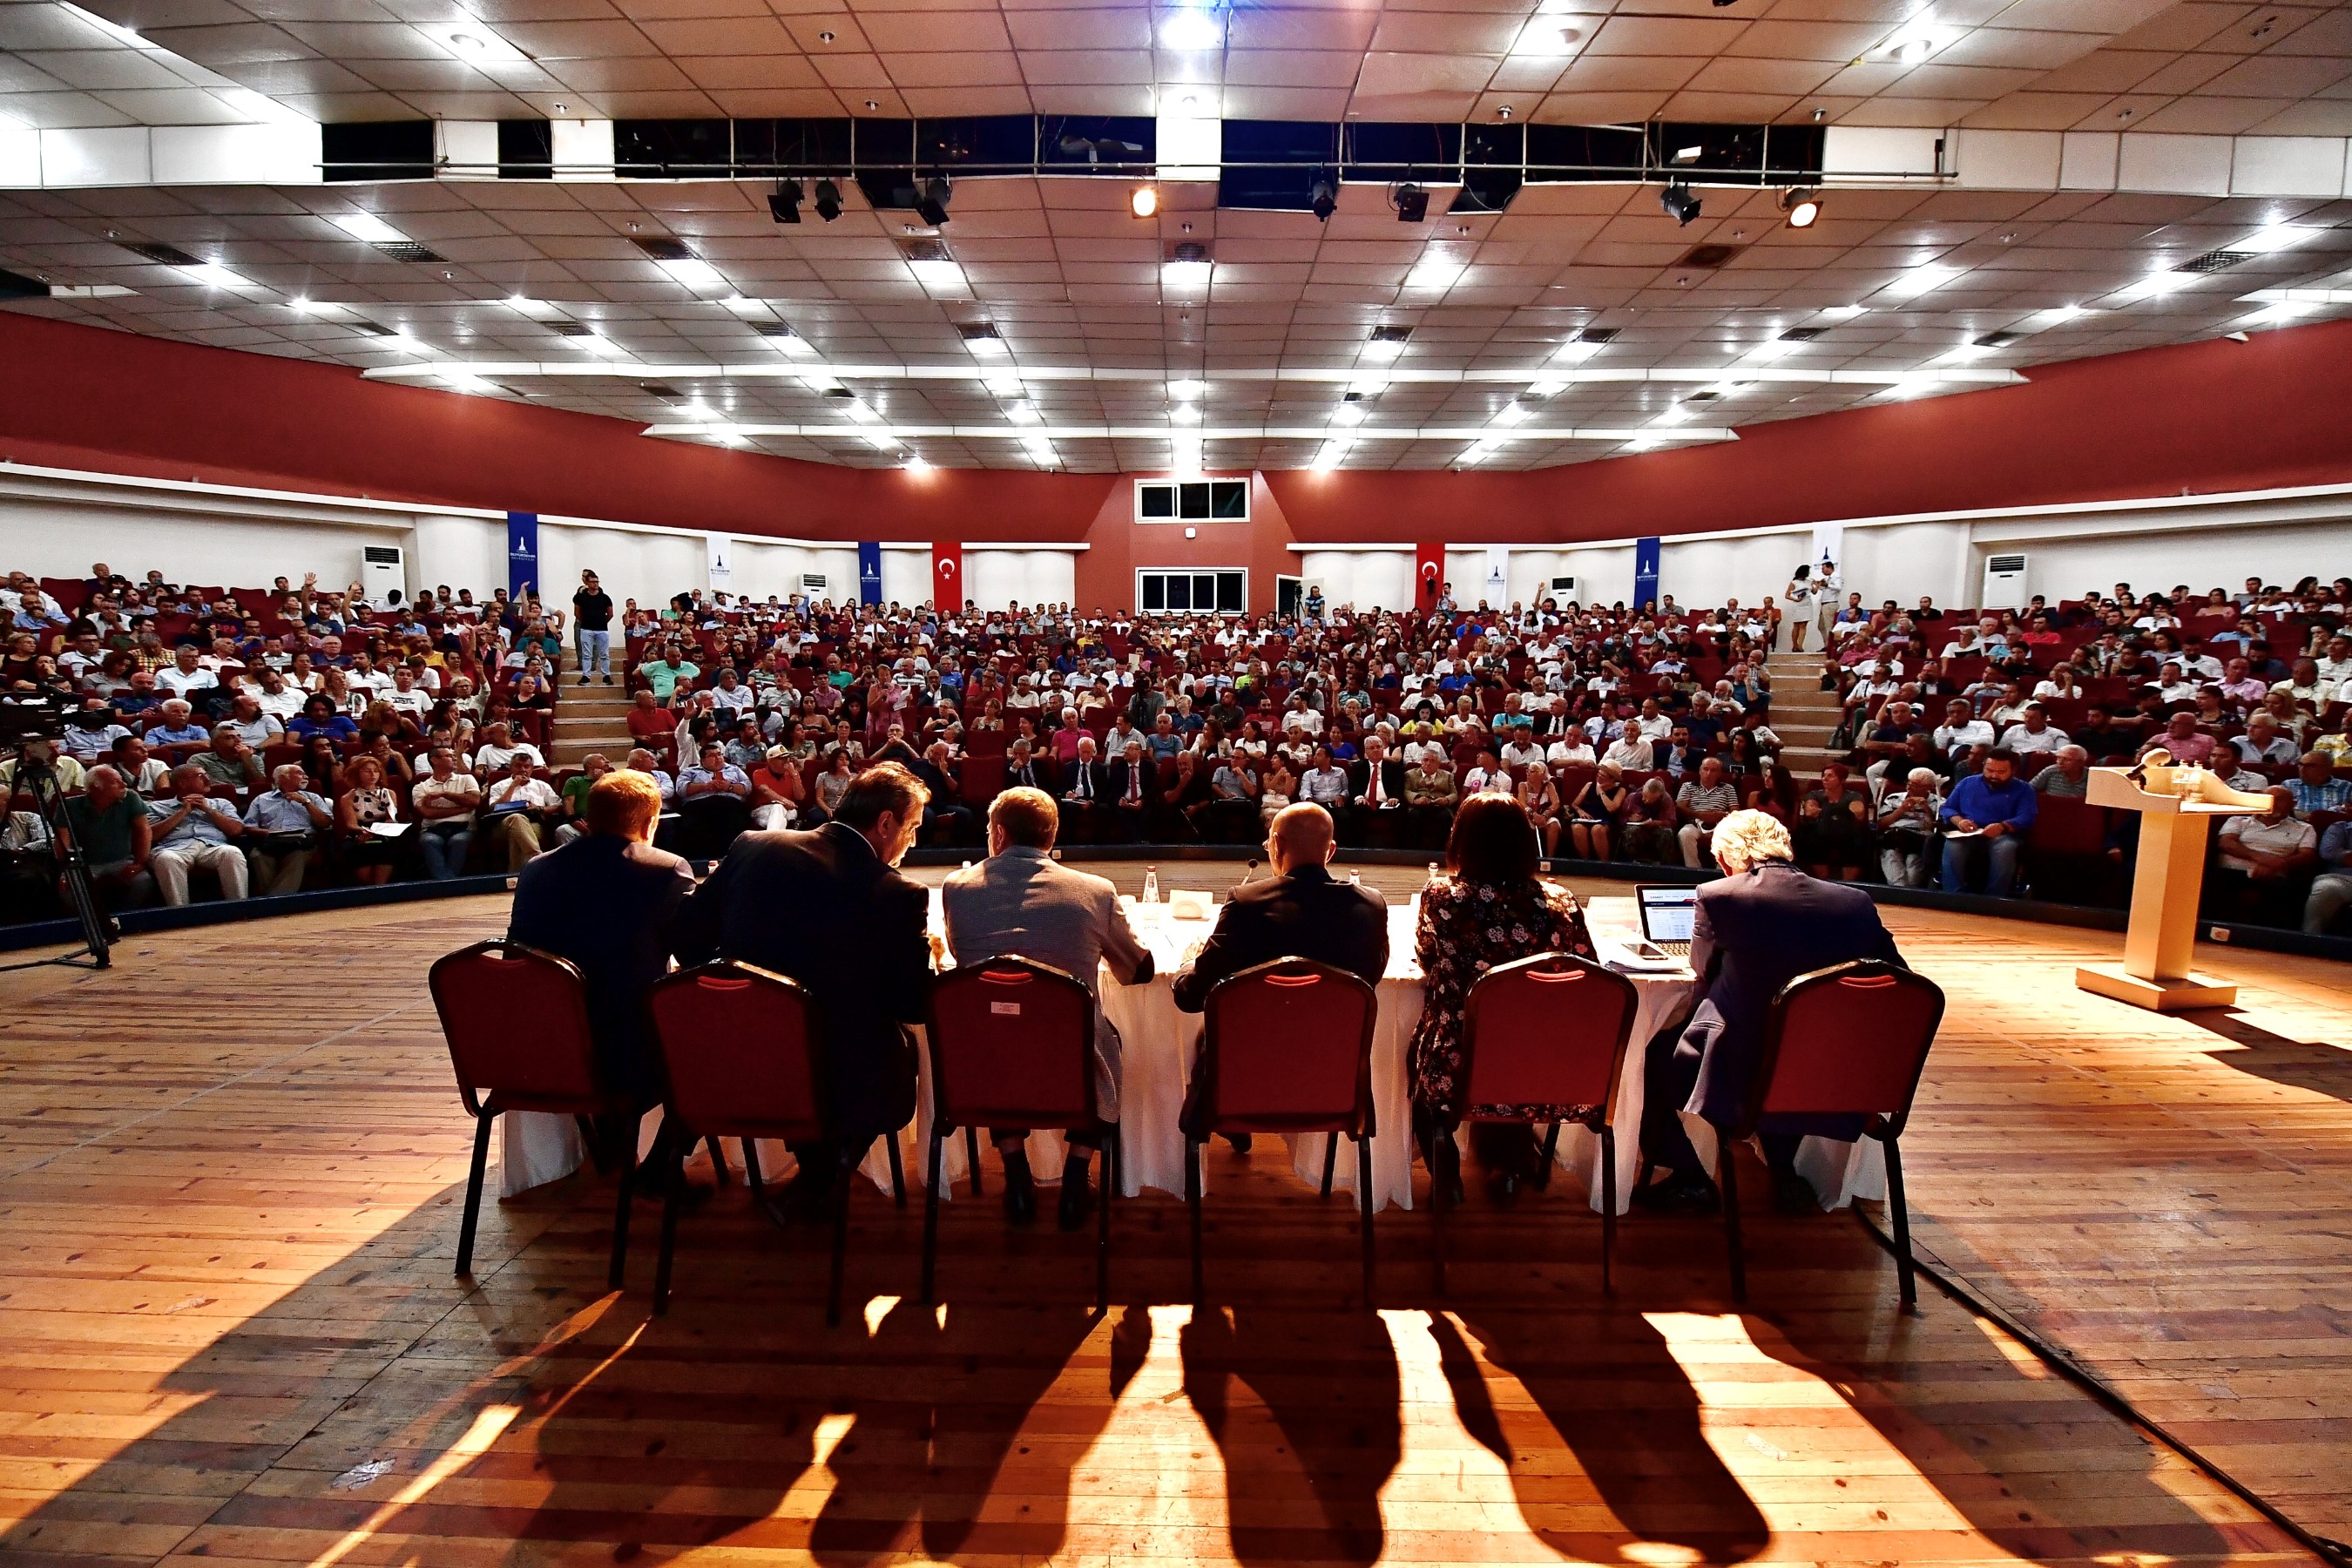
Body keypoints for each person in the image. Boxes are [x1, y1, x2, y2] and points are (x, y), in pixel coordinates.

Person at [672, 762, 932, 1217]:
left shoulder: (754, 847)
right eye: (911, 828)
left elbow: (687, 939)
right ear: (886, 822)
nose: (912, 842)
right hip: (831, 1078)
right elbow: (912, 1004)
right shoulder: (897, 893)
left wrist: (738, 984)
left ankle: (814, 1176)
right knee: (894, 1050)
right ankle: (822, 1176)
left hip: (730, 1056)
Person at [1636, 808, 1903, 1215]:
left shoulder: (1720, 896)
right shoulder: (1855, 902)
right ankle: (1783, 1171)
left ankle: (1689, 1176)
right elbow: (1896, 978)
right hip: (1832, 1070)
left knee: (1648, 1058)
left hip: (1739, 1069)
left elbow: (1701, 968)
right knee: (1786, 1043)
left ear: (1726, 861)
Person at [941, 787, 1154, 1230]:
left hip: (987, 1060)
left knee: (1001, 1034)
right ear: (1051, 835)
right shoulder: (1095, 891)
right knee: (1107, 1038)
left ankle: (1017, 1176)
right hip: (1070, 1062)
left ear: (998, 835)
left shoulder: (957, 888)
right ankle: (1077, 1176)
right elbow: (1139, 973)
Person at [1409, 795, 1598, 1205]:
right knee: (1514, 1042)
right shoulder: (1559, 901)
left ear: (1462, 840)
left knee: (1420, 1059)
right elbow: (1587, 967)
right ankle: (1508, 1167)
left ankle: (1448, 1173)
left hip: (1460, 1055)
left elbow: (1426, 957)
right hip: (1543, 1057)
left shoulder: (1442, 896)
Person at [507, 770, 694, 1162]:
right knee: (719, 1037)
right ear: (650, 823)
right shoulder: (664, 868)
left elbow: (516, 957)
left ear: (589, 817)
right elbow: (695, 952)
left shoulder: (537, 869)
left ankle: (610, 1142)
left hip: (543, 1041)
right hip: (630, 1047)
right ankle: (659, 1167)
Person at [1172, 801, 1388, 1014]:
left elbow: (1190, 997)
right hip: (1338, 1047)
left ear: (1277, 845)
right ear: (1330, 851)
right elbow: (1372, 977)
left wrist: (1190, 961)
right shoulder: (1372, 905)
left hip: (1253, 1046)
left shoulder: (1245, 903)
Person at [145, 763, 250, 905]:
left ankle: (240, 908)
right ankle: (180, 913)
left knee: (232, 853)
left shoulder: (221, 804)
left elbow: (236, 830)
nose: (208, 780)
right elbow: (151, 835)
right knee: (166, 859)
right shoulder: (156, 807)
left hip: (213, 847)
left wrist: (208, 810)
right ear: (182, 783)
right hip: (174, 848)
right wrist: (182, 812)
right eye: (201, 776)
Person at [2211, 786, 2315, 926]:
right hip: (2231, 872)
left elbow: (2307, 855)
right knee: (2213, 883)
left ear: (2293, 804)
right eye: (2267, 799)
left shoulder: (2304, 828)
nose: (2272, 803)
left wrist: (2277, 865)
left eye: (2280, 800)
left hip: (2274, 875)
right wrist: (2262, 859)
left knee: (2284, 892)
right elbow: (2226, 843)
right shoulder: (2238, 820)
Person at [1939, 747, 2038, 895]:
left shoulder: (2024, 789)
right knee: (1953, 845)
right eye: (1989, 770)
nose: (1994, 775)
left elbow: (2027, 817)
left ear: (2013, 770)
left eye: (2001, 772)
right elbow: (1947, 808)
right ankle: (1953, 894)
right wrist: (1959, 821)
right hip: (1969, 832)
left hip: (2003, 834)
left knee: (2005, 848)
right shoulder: (1968, 782)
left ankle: (1994, 897)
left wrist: (2003, 826)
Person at [63, 763, 154, 909]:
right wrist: (66, 869)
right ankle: (87, 923)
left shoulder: (130, 797)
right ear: (96, 787)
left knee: (143, 881)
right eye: (115, 782)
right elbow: (62, 841)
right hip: (86, 864)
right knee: (68, 888)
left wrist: (140, 863)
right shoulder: (69, 805)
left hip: (122, 859)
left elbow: (144, 830)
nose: (124, 784)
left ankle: (126, 918)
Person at [240, 762, 332, 895]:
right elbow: (248, 826)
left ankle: (271, 904)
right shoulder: (261, 799)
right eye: (300, 773)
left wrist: (305, 803)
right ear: (284, 777)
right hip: (270, 842)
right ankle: (278, 902)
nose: (305, 776)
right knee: (257, 855)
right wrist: (266, 833)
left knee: (297, 857)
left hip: (301, 843)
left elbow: (325, 823)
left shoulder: (312, 798)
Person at [482, 751, 562, 869]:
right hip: (503, 824)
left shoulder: (541, 786)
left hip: (534, 823)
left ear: (531, 769)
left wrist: (540, 808)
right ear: (511, 768)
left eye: (527, 766)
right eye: (518, 766)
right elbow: (494, 808)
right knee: (517, 818)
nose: (523, 769)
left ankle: (515, 875)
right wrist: (513, 785)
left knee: (517, 836)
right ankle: (537, 858)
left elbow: (558, 805)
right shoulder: (498, 786)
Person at [411, 745, 482, 880]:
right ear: (434, 760)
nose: (454, 758)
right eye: (449, 756)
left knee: (458, 840)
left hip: (464, 828)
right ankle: (449, 882)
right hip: (433, 829)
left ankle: (444, 883)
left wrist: (445, 794)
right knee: (429, 840)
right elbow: (427, 813)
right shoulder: (420, 787)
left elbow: (474, 801)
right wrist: (462, 809)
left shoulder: (467, 779)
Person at [1673, 755, 1739, 868]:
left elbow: (1735, 811)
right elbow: (1680, 807)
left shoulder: (1728, 788)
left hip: (1720, 825)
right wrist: (1701, 815)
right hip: (1694, 824)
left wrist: (1720, 816)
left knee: (1731, 836)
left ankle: (1720, 872)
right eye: (1705, 769)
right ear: (1700, 770)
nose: (1708, 773)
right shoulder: (1688, 786)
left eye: (1713, 770)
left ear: (1719, 774)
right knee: (1684, 834)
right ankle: (1694, 871)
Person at [2302, 816, 2352, 936]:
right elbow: (2329, 853)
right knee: (2326, 888)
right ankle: (2311, 941)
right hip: (2343, 881)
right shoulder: (2340, 829)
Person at [571, 570, 614, 685]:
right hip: (586, 629)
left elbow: (610, 613)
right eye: (593, 582)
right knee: (586, 654)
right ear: (587, 583)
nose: (595, 584)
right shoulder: (582, 597)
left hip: (602, 630)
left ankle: (606, 676)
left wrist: (602, 622)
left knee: (604, 654)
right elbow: (577, 613)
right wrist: (586, 622)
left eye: (597, 582)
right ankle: (586, 676)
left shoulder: (605, 597)